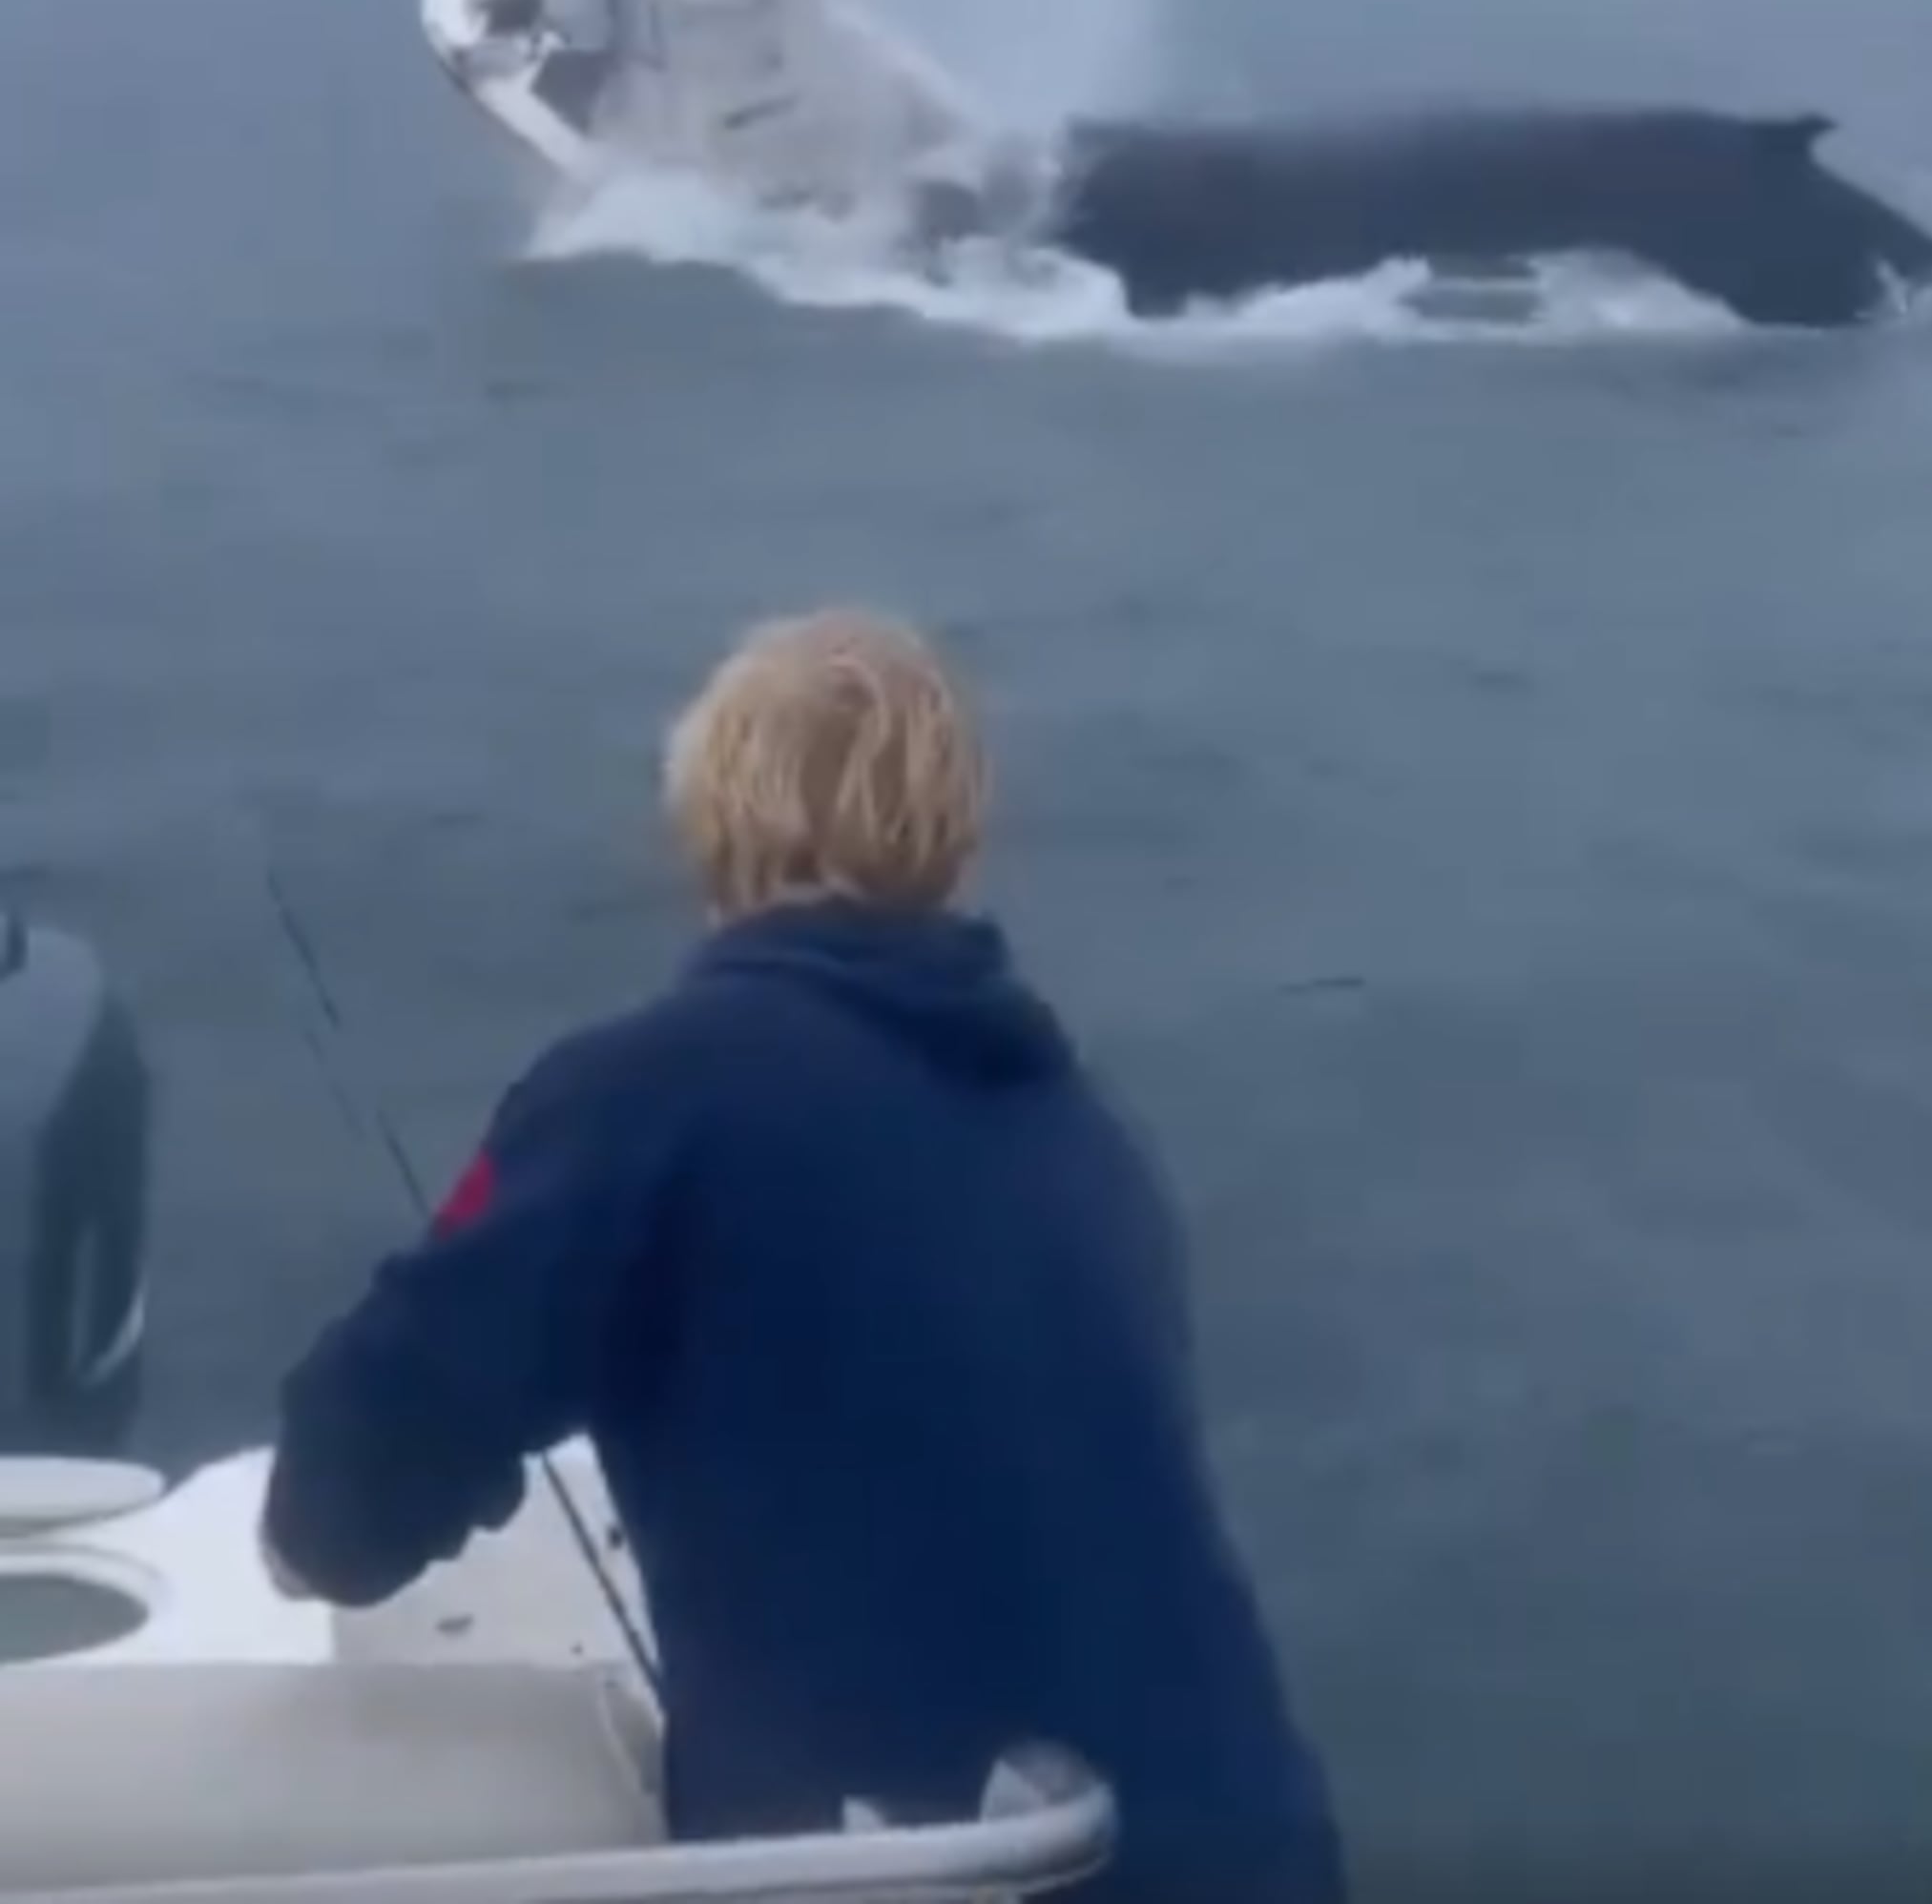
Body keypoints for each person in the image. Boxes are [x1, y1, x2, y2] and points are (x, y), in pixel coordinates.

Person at [259, 611, 1344, 1904]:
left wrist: (313, 1535)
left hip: (936, 1867)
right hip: (1245, 1851)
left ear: (715, 821)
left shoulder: (651, 1089)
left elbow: (369, 1452)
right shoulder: (1086, 1129)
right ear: (953, 838)